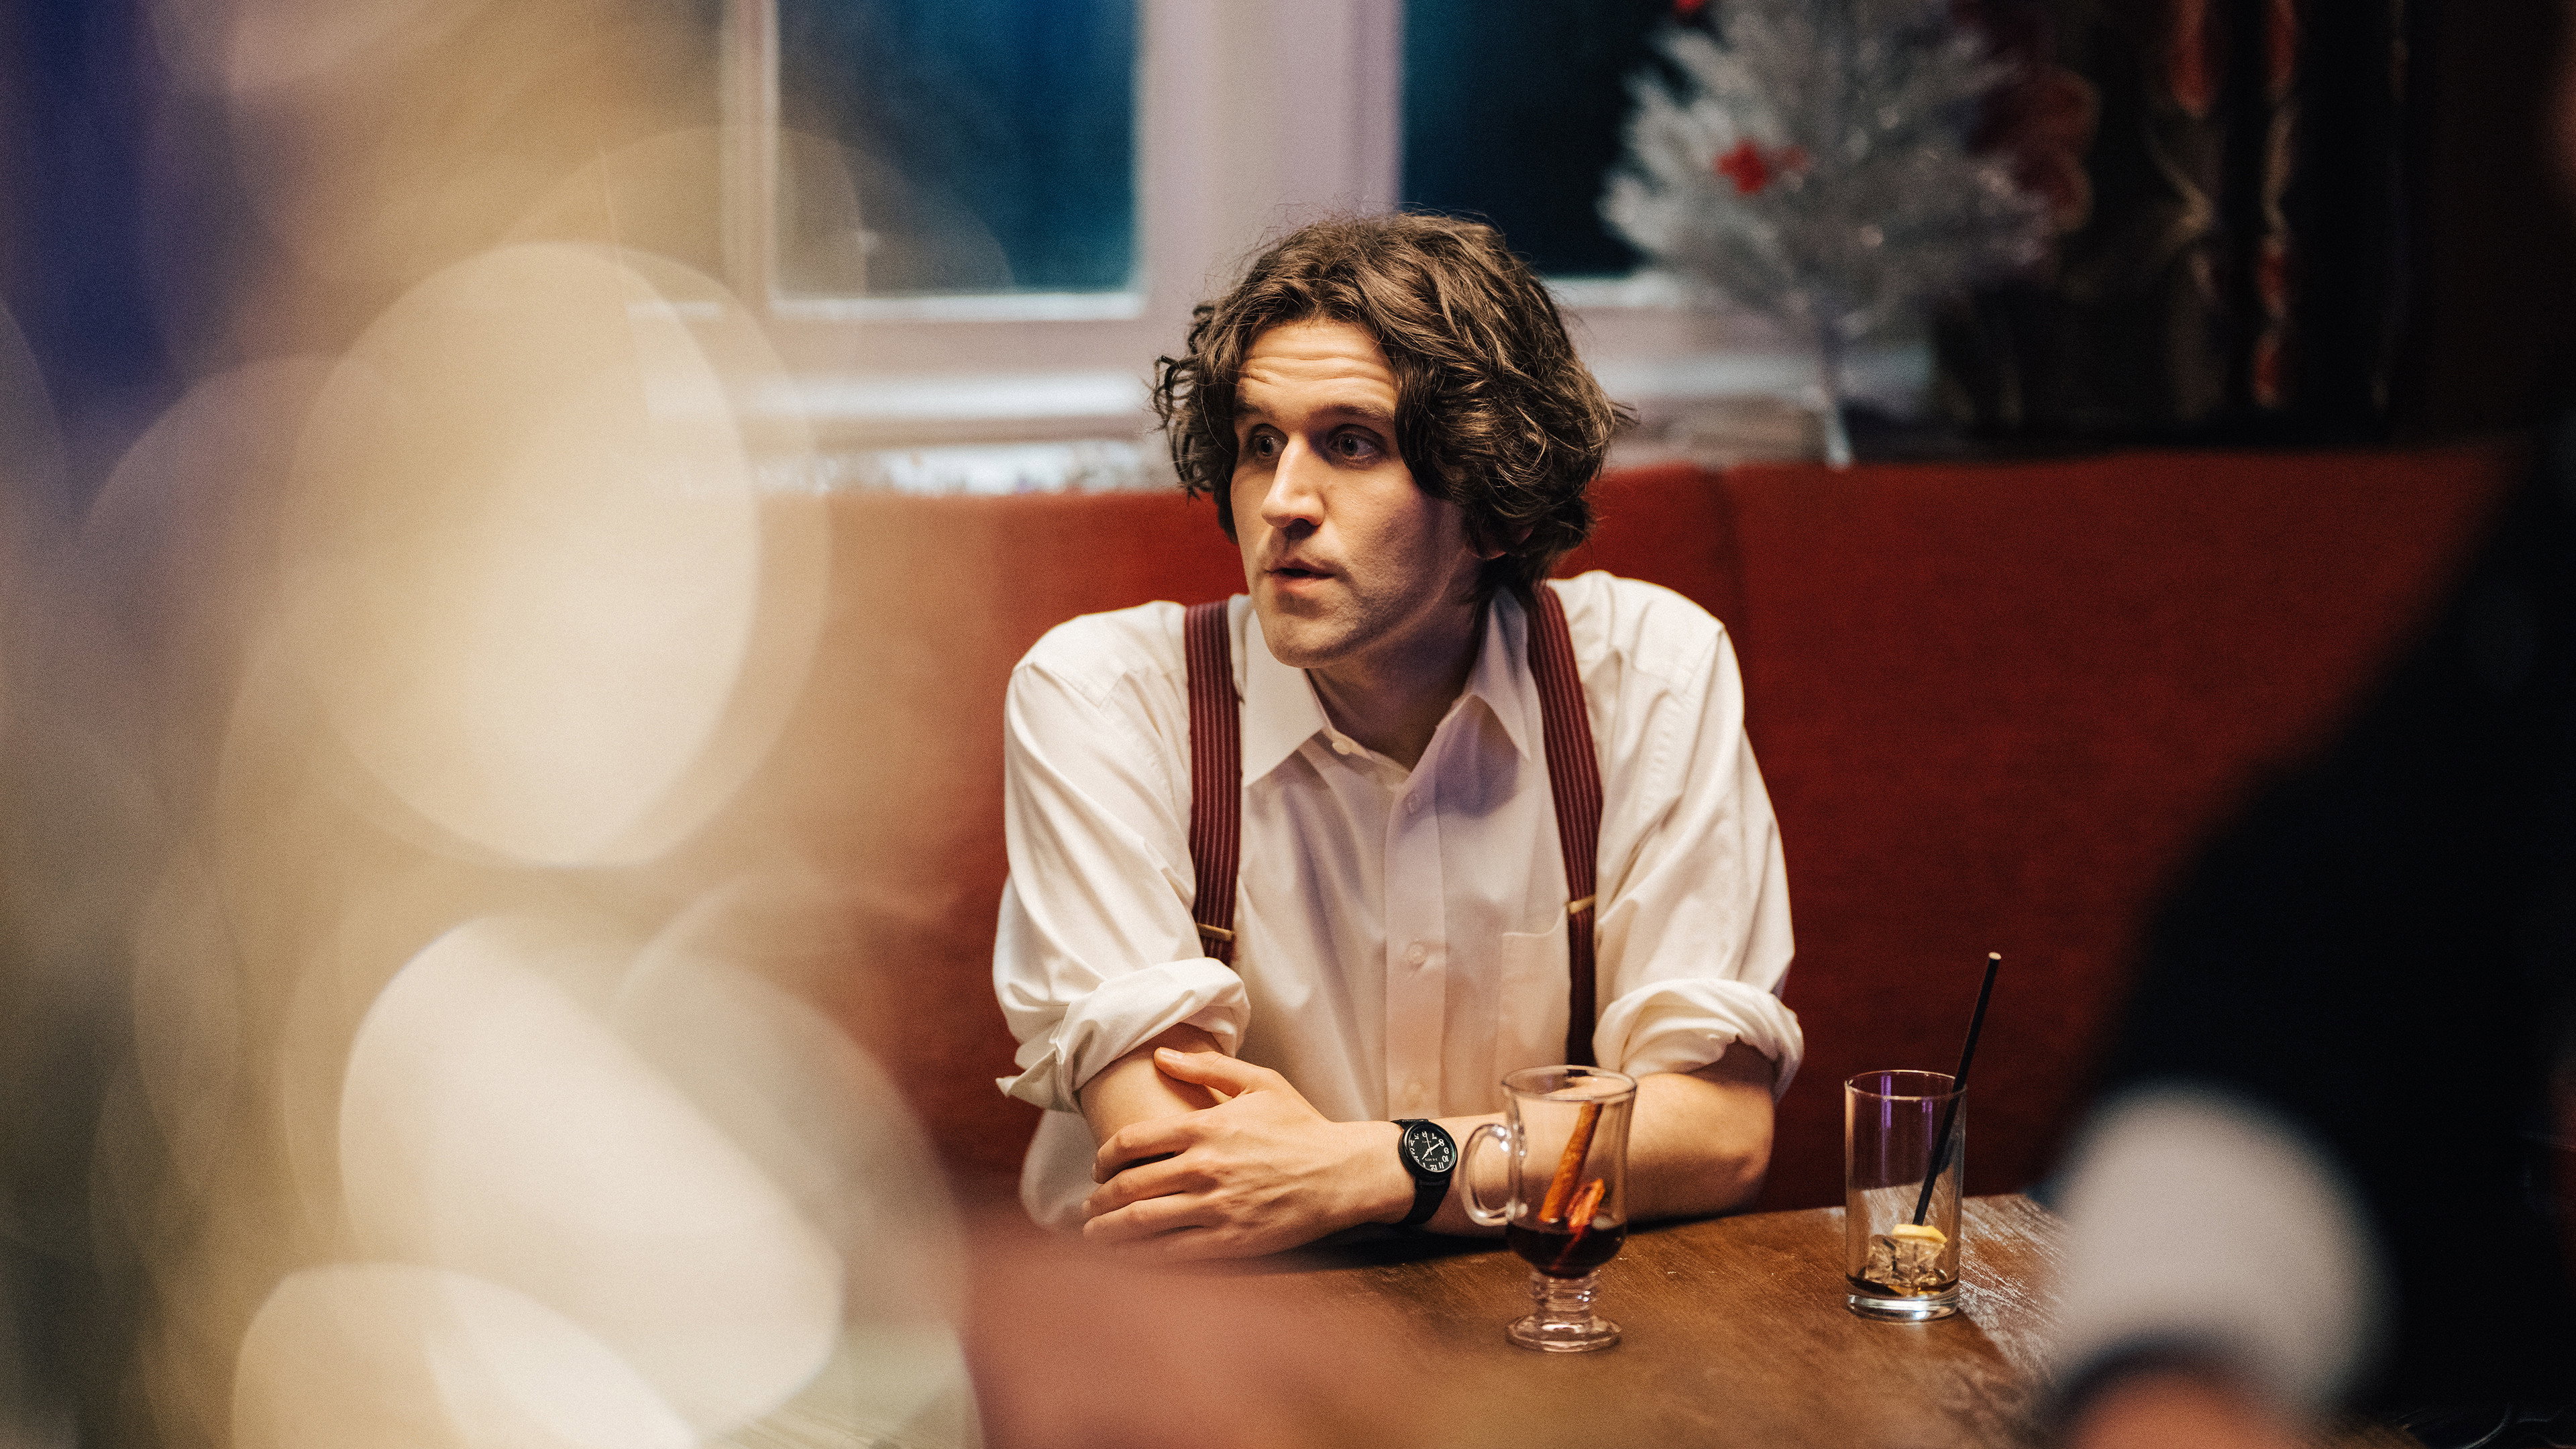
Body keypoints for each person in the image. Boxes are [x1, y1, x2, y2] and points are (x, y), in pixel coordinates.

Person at [990, 215, 1803, 1256]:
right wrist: (1523, 1156)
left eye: (1352, 444)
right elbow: (1178, 1169)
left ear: (1498, 506)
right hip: (1204, 1324)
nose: (1283, 502)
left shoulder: (1646, 677)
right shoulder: (1107, 696)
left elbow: (1717, 1134)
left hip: (1526, 1310)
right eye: (1259, 444)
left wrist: (1380, 1167)